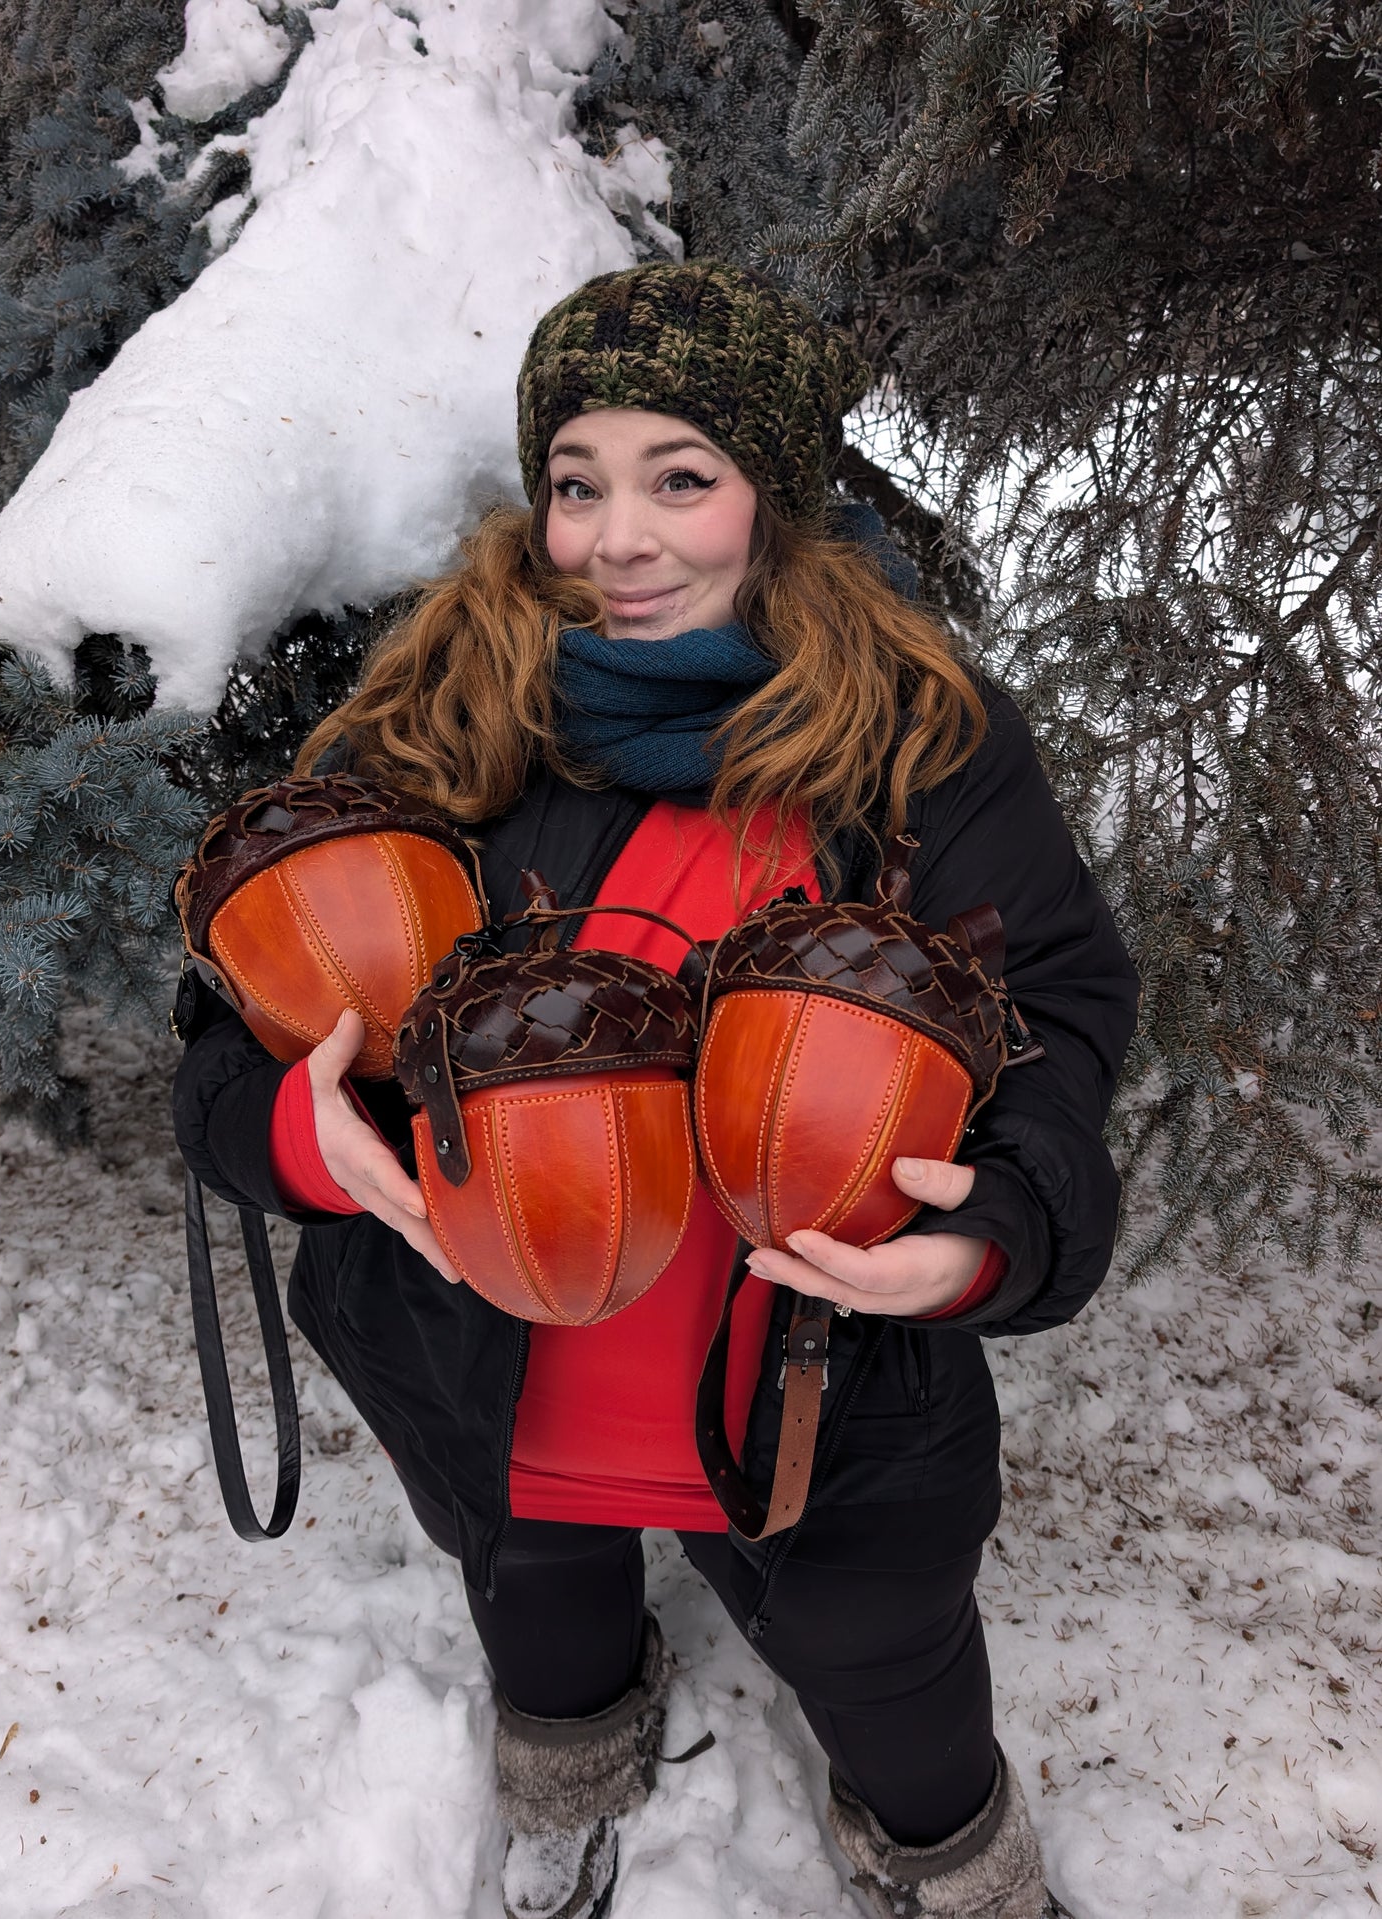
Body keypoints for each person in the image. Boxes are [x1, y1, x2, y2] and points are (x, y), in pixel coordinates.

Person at [173, 260, 1139, 1919]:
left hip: (822, 1378)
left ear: (774, 497)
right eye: (576, 483)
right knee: (537, 1589)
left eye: (679, 477)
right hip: (487, 1359)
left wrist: (985, 1233)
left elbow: (1055, 1005)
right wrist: (293, 1132)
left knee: (877, 1647)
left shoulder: (920, 740)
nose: (616, 539)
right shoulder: (437, 729)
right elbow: (236, 1028)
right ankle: (573, 1767)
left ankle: (943, 1851)